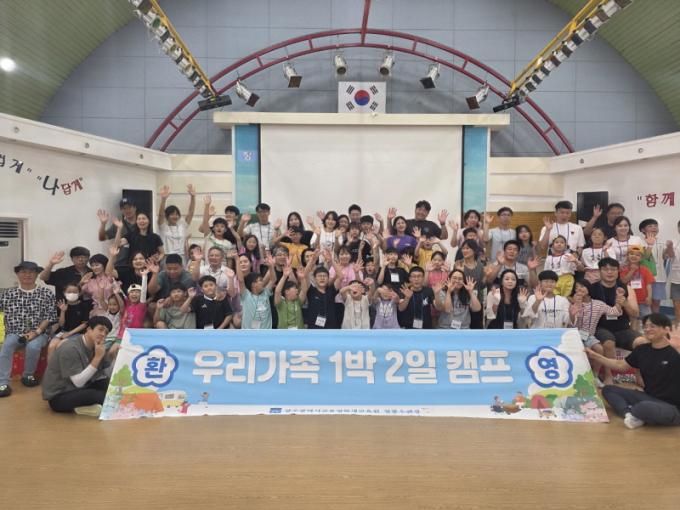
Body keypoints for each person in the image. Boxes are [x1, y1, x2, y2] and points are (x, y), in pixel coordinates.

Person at [586, 314, 680, 428]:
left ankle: (637, 413)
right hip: (648, 397)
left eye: (652, 326)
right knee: (608, 390)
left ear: (666, 329)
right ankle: (630, 415)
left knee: (644, 407)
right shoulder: (641, 350)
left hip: (672, 406)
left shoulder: (675, 354)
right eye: (645, 326)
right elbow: (620, 365)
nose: (647, 329)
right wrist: (596, 356)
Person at [0, 261, 57, 397]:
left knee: (33, 346)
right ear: (17, 274)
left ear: (37, 274)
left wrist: (36, 332)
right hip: (14, 332)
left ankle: (28, 375)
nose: (27, 275)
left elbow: (49, 317)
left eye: (31, 272)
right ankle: (3, 383)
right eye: (23, 272)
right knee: (6, 347)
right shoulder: (8, 294)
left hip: (39, 332)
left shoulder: (46, 293)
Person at [41, 316, 117, 416]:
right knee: (101, 397)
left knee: (111, 387)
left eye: (106, 332)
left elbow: (101, 368)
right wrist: (97, 357)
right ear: (89, 329)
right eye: (100, 329)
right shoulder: (70, 348)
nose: (103, 334)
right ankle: (84, 406)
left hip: (78, 387)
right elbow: (78, 382)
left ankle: (85, 406)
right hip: (59, 396)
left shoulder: (94, 345)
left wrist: (111, 354)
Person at [591, 257, 645, 384]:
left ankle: (639, 375)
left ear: (618, 271)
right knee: (609, 342)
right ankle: (609, 375)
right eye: (605, 269)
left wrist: (625, 304)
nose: (609, 272)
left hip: (623, 329)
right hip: (600, 328)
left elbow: (635, 314)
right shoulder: (592, 289)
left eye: (613, 269)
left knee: (642, 342)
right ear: (599, 271)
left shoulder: (627, 289)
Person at [569, 279, 622, 386]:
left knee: (599, 349)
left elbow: (615, 312)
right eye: (576, 288)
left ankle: (595, 375)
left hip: (589, 336)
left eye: (582, 286)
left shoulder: (598, 304)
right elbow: (570, 323)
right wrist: (575, 308)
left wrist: (618, 302)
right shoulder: (571, 303)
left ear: (589, 288)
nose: (579, 289)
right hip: (574, 336)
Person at [48, 282, 93, 358]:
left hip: (77, 333)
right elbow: (61, 324)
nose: (72, 294)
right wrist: (63, 311)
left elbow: (84, 324)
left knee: (61, 346)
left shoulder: (84, 306)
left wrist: (69, 333)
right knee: (51, 346)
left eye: (75, 292)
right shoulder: (61, 305)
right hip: (62, 332)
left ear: (79, 293)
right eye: (69, 292)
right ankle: (51, 366)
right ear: (64, 293)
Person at [157, 184, 196, 264]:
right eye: (172, 214)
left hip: (181, 257)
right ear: (167, 216)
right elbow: (161, 215)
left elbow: (191, 212)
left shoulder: (182, 226)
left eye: (177, 214)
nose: (175, 216)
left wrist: (193, 197)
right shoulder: (163, 227)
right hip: (167, 257)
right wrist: (163, 199)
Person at [638, 218, 670, 313]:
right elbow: (644, 258)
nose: (654, 228)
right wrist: (650, 245)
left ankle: (654, 320)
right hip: (644, 277)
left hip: (659, 277)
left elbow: (665, 257)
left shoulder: (662, 241)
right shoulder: (639, 241)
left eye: (656, 226)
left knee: (656, 301)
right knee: (645, 301)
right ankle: (645, 319)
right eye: (650, 226)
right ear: (643, 230)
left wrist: (669, 249)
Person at [619, 245, 655, 327]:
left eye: (637, 255)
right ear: (627, 256)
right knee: (632, 319)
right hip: (629, 300)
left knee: (647, 318)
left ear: (641, 258)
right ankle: (633, 332)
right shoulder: (623, 269)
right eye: (631, 254)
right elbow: (624, 281)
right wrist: (632, 270)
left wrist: (649, 297)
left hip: (643, 300)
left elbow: (649, 284)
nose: (634, 256)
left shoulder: (645, 269)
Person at [97, 197, 137, 265]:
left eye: (129, 207)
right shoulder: (118, 223)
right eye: (124, 208)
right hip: (121, 263)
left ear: (135, 208)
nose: (127, 210)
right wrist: (103, 224)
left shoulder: (142, 222)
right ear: (121, 210)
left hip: (138, 262)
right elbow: (102, 238)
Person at [274, 264, 305, 330]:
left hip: (299, 333)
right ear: (287, 291)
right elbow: (277, 291)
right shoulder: (280, 303)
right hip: (284, 334)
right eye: (295, 288)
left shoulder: (298, 301)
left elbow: (304, 290)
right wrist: (284, 276)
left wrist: (302, 278)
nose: (297, 290)